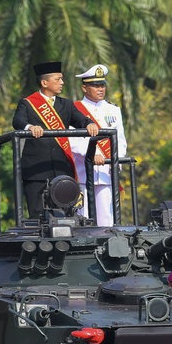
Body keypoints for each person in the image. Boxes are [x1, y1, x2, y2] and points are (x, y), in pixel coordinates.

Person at [13, 61, 99, 218]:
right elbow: (18, 121)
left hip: (61, 167)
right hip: (36, 169)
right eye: (58, 79)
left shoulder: (66, 104)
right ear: (44, 82)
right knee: (37, 215)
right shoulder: (28, 103)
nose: (62, 83)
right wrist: (29, 127)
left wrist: (90, 124)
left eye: (62, 79)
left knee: (66, 214)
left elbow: (80, 119)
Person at [70, 64, 126, 226]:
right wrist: (91, 154)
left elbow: (120, 140)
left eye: (102, 85)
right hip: (84, 172)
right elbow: (72, 140)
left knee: (107, 220)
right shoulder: (76, 109)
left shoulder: (113, 110)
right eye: (95, 85)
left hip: (107, 173)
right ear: (84, 88)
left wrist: (117, 161)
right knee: (84, 218)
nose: (100, 89)